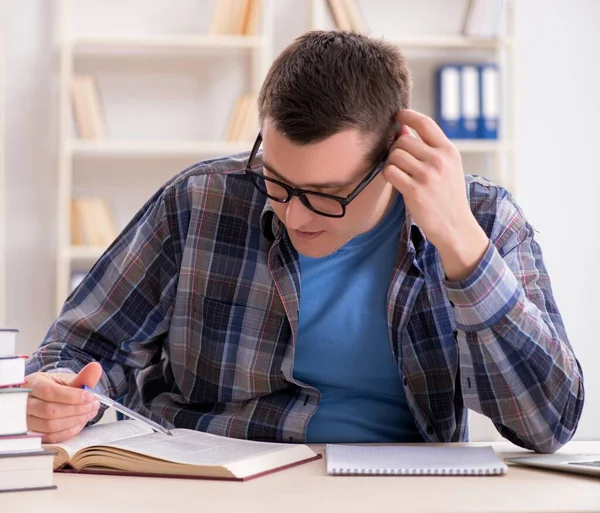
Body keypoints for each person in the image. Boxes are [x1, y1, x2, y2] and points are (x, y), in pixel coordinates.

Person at [25, 31, 583, 451]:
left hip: (400, 495)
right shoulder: (199, 200)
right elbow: (79, 350)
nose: (293, 215)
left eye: (325, 193)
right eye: (277, 181)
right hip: (206, 486)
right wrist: (65, 397)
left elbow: (548, 425)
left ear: (397, 156)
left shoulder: (482, 219)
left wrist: (463, 248)